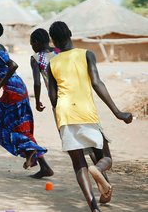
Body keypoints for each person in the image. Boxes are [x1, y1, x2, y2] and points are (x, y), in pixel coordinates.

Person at [47, 21, 132, 212]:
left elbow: (53, 99)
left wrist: (59, 120)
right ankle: (98, 169)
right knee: (106, 157)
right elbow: (97, 83)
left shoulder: (52, 63)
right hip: (85, 112)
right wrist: (118, 112)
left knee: (78, 164)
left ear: (54, 41)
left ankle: (94, 207)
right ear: (70, 33)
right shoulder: (86, 54)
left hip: (65, 114)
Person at [0, 21, 53, 179]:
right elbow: (3, 72)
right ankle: (44, 167)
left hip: (13, 91)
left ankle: (30, 149)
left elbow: (13, 66)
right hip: (16, 89)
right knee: (22, 129)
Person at [29, 28, 60, 112]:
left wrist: (37, 101)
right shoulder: (58, 51)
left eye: (31, 44)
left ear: (35, 42)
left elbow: (37, 83)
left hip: (55, 96)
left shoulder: (36, 58)